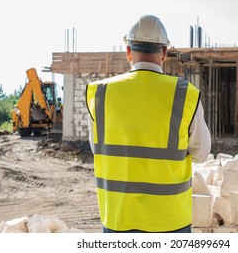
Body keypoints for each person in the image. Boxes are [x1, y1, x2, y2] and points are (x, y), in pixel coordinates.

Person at [86, 15, 211, 233]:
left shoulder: (100, 94)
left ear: (128, 52)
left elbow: (96, 148)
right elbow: (202, 154)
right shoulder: (184, 95)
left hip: (118, 220)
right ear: (164, 53)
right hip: (170, 222)